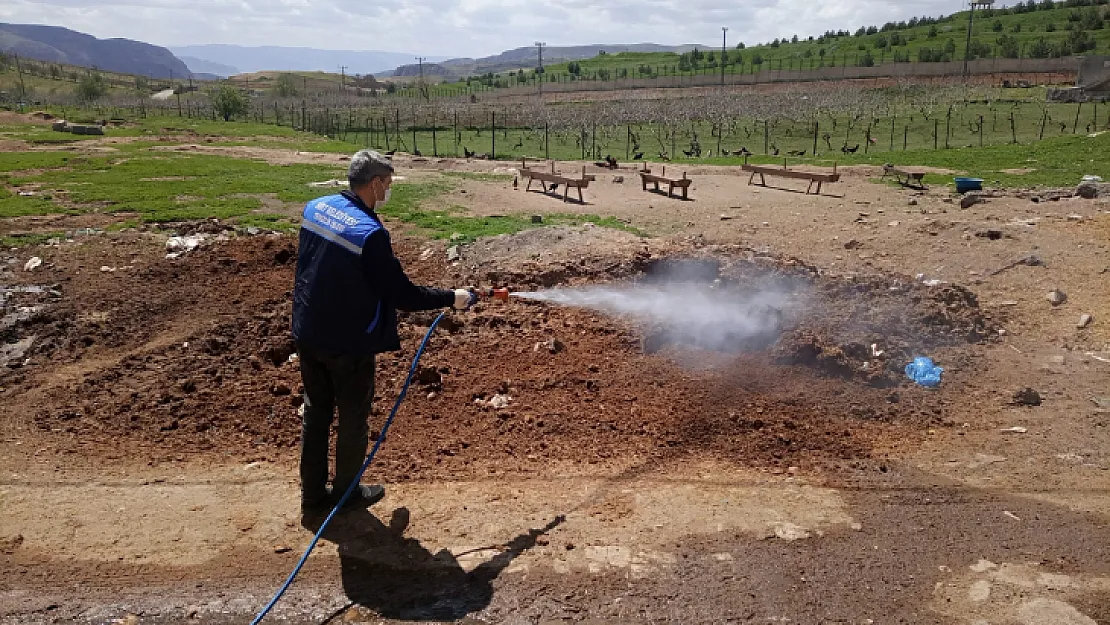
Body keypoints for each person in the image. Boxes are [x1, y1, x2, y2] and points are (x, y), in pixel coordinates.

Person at [292, 149, 475, 515]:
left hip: (307, 328)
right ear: (375, 183)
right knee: (353, 418)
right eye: (387, 184)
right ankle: (346, 495)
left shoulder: (316, 208)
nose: (388, 191)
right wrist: (451, 298)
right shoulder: (369, 232)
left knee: (316, 414)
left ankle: (312, 496)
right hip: (347, 341)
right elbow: (402, 295)